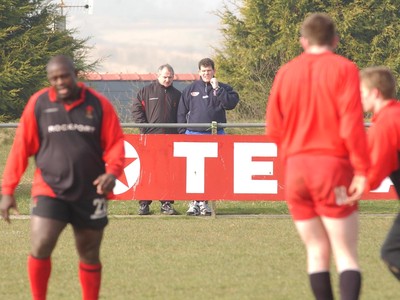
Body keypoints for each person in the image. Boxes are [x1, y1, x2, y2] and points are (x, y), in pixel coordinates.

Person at [0, 55, 125, 300]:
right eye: (54, 78)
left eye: (64, 76)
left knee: (89, 252)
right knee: (41, 244)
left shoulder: (98, 104)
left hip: (91, 191)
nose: (60, 82)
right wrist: (7, 191)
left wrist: (112, 172)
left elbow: (115, 144)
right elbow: (20, 149)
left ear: (75, 73)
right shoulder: (39, 104)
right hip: (50, 190)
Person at [265, 13, 370, 300]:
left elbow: (273, 128)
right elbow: (351, 124)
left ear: (303, 41)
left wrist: (294, 156)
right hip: (332, 167)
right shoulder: (344, 68)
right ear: (335, 39)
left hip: (297, 169)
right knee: (345, 254)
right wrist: (361, 169)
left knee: (315, 252)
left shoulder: (286, 71)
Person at [177, 57, 239, 216]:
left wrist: (218, 90)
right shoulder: (190, 89)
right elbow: (181, 113)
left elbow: (230, 104)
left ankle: (206, 203)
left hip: (215, 135)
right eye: (203, 71)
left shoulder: (223, 88)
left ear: (214, 71)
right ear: (199, 72)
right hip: (193, 134)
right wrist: (182, 132)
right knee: (193, 171)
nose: (206, 73)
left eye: (209, 71)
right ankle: (193, 203)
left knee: (212, 171)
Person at [359, 66, 400, 281]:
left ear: (375, 93)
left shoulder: (385, 123)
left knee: (392, 253)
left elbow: (373, 177)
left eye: (361, 93)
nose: (359, 98)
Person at [132, 64, 181, 215]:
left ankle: (166, 203)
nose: (167, 80)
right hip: (150, 139)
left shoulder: (177, 94)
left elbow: (182, 115)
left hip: (170, 140)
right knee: (147, 171)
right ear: (158, 75)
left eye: (170, 77)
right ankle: (144, 204)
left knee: (167, 172)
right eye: (165, 77)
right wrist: (144, 129)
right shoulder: (146, 91)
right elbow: (136, 109)